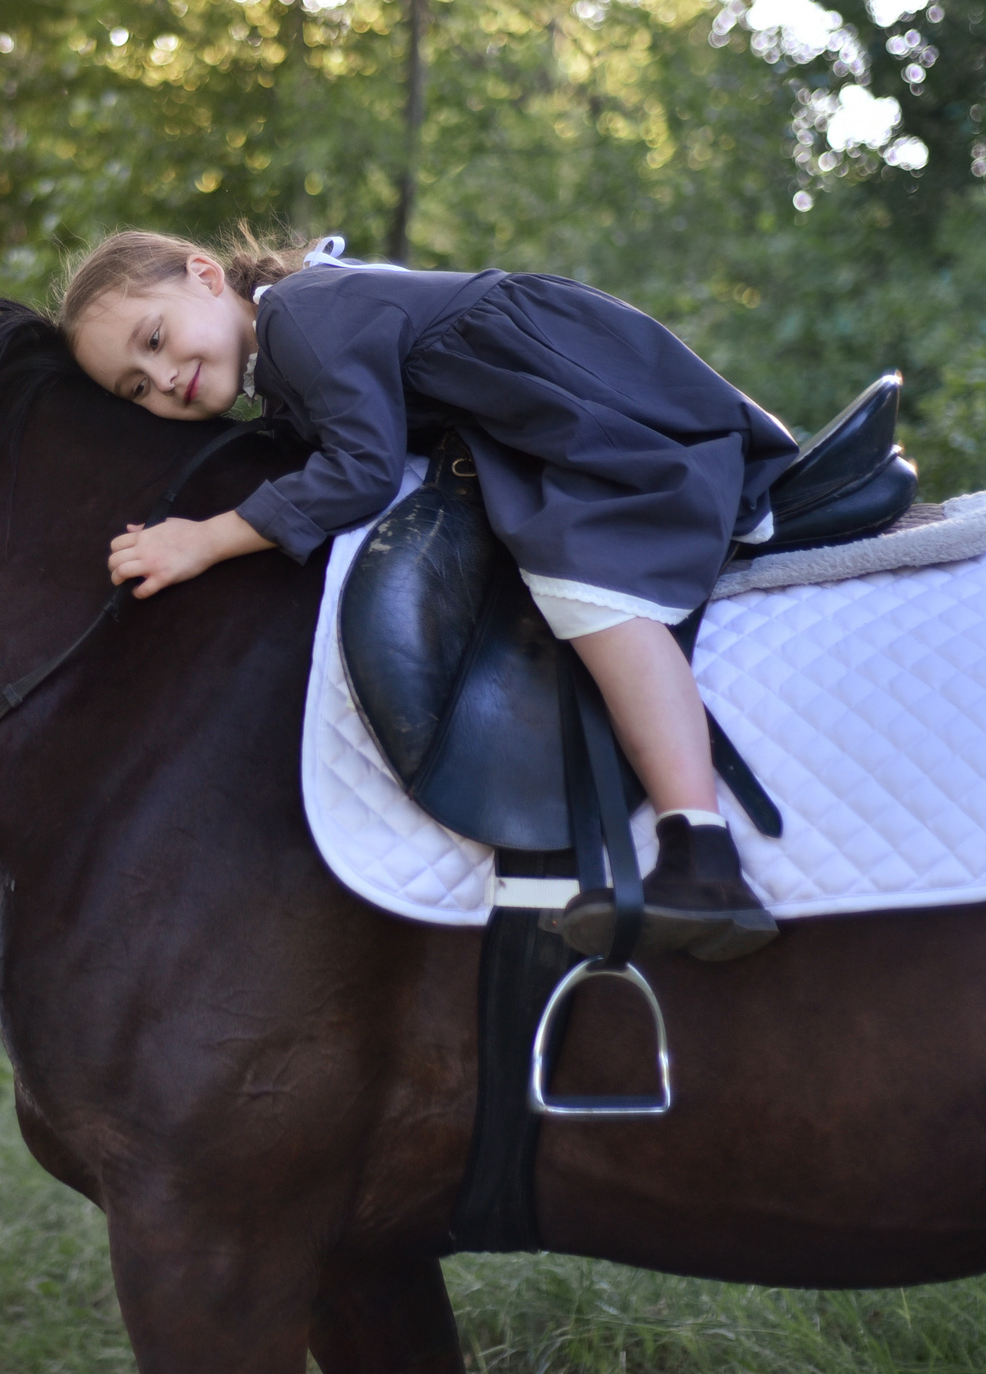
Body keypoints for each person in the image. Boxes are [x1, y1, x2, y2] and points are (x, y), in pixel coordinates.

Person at [59, 229, 797, 961]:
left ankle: (701, 853)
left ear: (204, 275)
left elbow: (364, 470)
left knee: (589, 587)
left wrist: (205, 537)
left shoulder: (299, 319)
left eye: (153, 339)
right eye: (136, 387)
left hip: (581, 397)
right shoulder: (286, 355)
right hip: (540, 409)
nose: (161, 380)